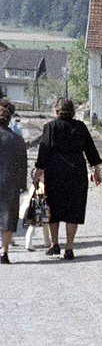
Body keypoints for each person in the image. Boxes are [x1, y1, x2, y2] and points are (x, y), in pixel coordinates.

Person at [33, 97, 102, 260]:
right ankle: (69, 248)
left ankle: (55, 245)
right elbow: (92, 152)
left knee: (53, 208)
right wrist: (97, 173)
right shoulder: (81, 127)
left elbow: (43, 153)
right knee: (73, 209)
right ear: (72, 112)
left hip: (55, 172)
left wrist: (37, 174)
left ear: (56, 112)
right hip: (76, 172)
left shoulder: (50, 127)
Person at [0, 105, 27, 264]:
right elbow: (23, 164)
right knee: (8, 217)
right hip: (10, 182)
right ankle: (4, 252)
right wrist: (22, 185)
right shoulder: (17, 139)